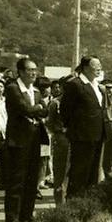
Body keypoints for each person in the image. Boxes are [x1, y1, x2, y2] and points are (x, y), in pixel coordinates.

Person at [4, 59, 49, 222]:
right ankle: (12, 217)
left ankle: (27, 214)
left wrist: (37, 109)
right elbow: (24, 109)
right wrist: (36, 109)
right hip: (18, 140)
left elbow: (44, 111)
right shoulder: (13, 88)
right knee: (17, 179)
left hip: (35, 139)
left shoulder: (35, 91)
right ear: (21, 71)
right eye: (30, 70)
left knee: (32, 179)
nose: (33, 73)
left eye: (35, 70)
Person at [61, 56, 109, 198]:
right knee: (79, 174)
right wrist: (75, 130)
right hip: (82, 137)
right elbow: (65, 111)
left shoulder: (97, 86)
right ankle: (74, 205)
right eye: (96, 65)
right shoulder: (75, 84)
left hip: (97, 135)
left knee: (92, 175)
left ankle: (88, 206)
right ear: (86, 68)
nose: (99, 68)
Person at [45, 76, 72, 205]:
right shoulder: (56, 103)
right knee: (60, 173)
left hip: (76, 139)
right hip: (61, 138)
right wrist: (58, 133)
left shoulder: (77, 102)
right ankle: (60, 205)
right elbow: (49, 123)